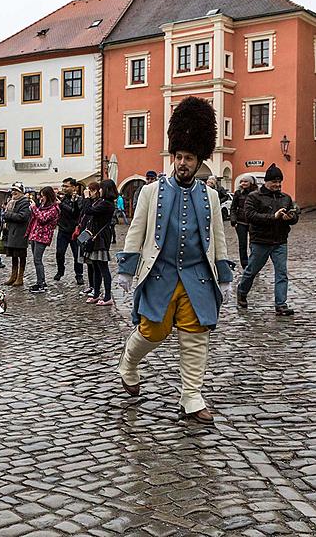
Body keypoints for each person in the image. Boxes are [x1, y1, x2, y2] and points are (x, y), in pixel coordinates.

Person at [115, 97, 234, 424]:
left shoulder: (210, 195)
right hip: (159, 274)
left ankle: (192, 397)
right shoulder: (151, 192)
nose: (183, 163)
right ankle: (128, 362)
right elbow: (136, 231)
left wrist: (222, 272)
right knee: (153, 331)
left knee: (196, 335)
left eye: (189, 158)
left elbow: (218, 237)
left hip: (197, 276)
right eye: (179, 157)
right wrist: (126, 269)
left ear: (199, 161)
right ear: (173, 157)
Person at [236, 163, 299, 316]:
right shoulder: (254, 197)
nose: (277, 185)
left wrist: (290, 217)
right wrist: (273, 217)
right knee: (252, 270)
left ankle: (281, 304)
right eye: (274, 182)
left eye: (279, 182)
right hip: (260, 241)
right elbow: (250, 216)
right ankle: (242, 291)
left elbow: (295, 215)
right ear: (266, 182)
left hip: (280, 241)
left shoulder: (285, 198)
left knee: (281, 273)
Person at [84, 180, 118, 305]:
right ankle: (97, 294)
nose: (99, 191)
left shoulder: (107, 204)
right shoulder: (103, 202)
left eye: (101, 188)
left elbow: (88, 211)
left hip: (101, 238)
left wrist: (87, 198)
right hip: (97, 237)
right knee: (96, 267)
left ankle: (108, 297)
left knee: (103, 268)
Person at [25, 186, 59, 293]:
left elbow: (43, 218)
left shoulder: (54, 208)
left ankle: (41, 283)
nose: (41, 197)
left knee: (38, 260)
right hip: (35, 235)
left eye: (42, 195)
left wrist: (34, 208)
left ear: (48, 196)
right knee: (36, 260)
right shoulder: (43, 205)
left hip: (43, 236)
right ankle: (39, 281)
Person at [54, 178, 84, 284]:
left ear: (74, 187)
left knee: (77, 254)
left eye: (67, 186)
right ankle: (60, 271)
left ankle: (79, 275)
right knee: (59, 252)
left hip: (75, 231)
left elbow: (75, 213)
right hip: (63, 230)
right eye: (64, 186)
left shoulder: (79, 199)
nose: (64, 188)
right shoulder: (63, 199)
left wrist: (61, 205)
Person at [3, 182, 31, 287]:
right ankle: (13, 276)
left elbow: (23, 217)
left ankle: (20, 277)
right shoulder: (11, 202)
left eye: (16, 190)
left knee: (21, 255)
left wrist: (7, 215)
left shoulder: (24, 202)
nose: (13, 192)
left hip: (20, 233)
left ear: (21, 192)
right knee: (14, 256)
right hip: (12, 232)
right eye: (12, 190)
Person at [230, 174, 257, 269]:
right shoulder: (238, 193)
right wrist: (233, 219)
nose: (243, 183)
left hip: (253, 221)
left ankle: (254, 263)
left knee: (254, 244)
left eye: (245, 181)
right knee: (242, 244)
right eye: (241, 181)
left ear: (251, 182)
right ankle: (245, 264)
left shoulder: (256, 193)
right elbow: (233, 207)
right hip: (240, 221)